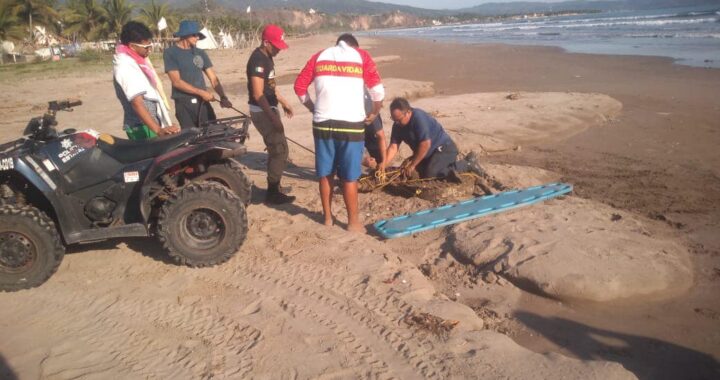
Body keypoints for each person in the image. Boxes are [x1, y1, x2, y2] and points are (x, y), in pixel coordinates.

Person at [294, 33, 385, 232]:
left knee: (326, 173)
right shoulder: (360, 56)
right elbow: (377, 91)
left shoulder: (319, 56)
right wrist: (374, 111)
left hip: (323, 124)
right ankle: (353, 223)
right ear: (354, 47)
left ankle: (327, 218)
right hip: (351, 125)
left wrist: (312, 107)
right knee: (349, 176)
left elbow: (299, 87)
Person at [246, 24, 295, 204]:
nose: (278, 50)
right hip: (262, 111)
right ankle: (272, 193)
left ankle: (275, 187)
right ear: (265, 42)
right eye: (275, 46)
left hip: (269, 108)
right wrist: (274, 119)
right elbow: (258, 94)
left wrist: (283, 103)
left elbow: (270, 87)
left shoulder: (267, 57)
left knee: (278, 150)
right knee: (279, 151)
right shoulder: (258, 60)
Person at [113, 21, 179, 140]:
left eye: (150, 46)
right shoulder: (125, 66)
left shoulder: (137, 62)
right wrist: (158, 130)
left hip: (150, 125)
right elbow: (137, 102)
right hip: (141, 127)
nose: (149, 50)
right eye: (146, 47)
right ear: (132, 46)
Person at [163, 20, 232, 129]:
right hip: (183, 102)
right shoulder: (170, 53)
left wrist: (223, 97)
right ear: (185, 35)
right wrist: (200, 92)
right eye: (195, 35)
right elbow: (176, 82)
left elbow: (213, 78)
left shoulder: (200, 53)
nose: (197, 38)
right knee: (191, 138)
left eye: (198, 35)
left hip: (202, 102)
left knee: (211, 132)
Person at [384, 97, 465, 181]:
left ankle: (466, 164)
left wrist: (412, 165)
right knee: (408, 173)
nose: (396, 123)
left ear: (408, 112)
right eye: (394, 120)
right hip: (427, 155)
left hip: (443, 149)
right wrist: (383, 165)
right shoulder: (397, 125)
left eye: (399, 120)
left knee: (431, 175)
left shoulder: (418, 118)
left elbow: (425, 144)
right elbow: (393, 147)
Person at [361, 88, 387, 170]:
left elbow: (381, 136)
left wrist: (384, 161)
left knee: (379, 158)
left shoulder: (371, 112)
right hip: (349, 135)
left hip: (368, 136)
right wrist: (363, 160)